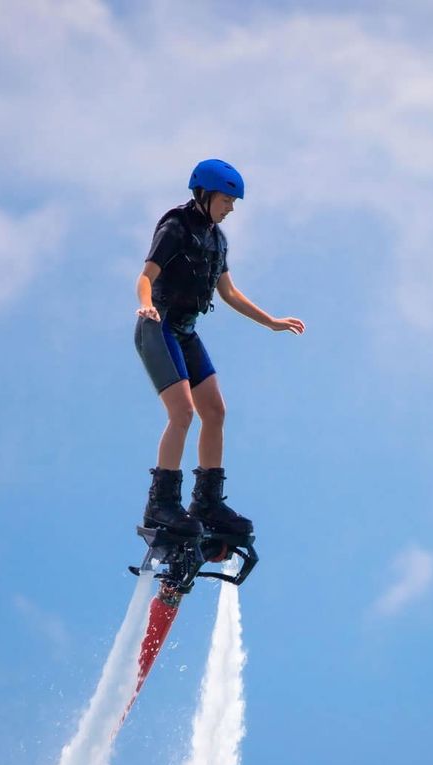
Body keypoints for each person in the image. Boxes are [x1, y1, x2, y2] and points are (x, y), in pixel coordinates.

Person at [134, 158, 305, 539]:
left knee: (215, 411)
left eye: (233, 203)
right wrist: (146, 304)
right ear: (205, 194)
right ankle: (161, 505)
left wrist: (272, 322)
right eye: (226, 200)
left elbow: (228, 293)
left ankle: (207, 502)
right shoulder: (175, 228)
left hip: (186, 332)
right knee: (183, 413)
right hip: (157, 327)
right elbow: (146, 277)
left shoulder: (216, 239)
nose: (230, 209)